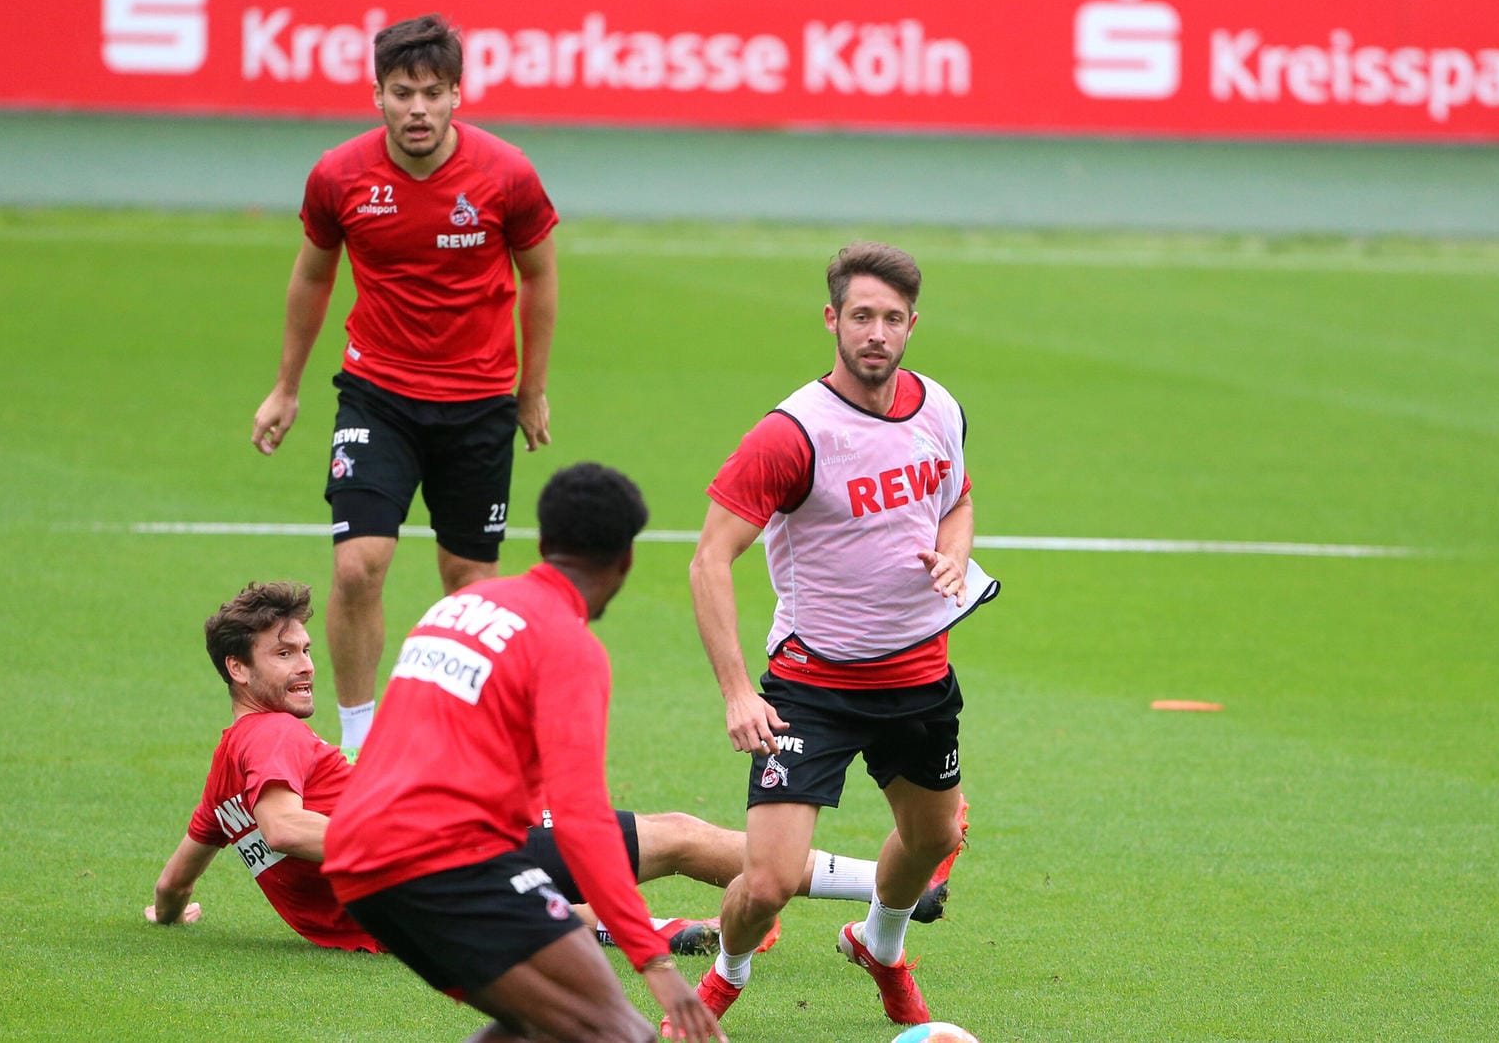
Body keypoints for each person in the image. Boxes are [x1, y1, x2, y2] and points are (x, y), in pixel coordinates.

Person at [145, 582, 947, 958]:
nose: (307, 665)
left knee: (584, 860)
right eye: (283, 654)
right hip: (448, 857)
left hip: (413, 907)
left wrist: (168, 910)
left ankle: (606, 924)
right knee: (672, 836)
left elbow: (188, 864)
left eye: (306, 649)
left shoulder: (229, 767)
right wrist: (418, 840)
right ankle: (885, 887)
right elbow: (286, 829)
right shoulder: (269, 742)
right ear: (236, 671)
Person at [684, 242, 997, 1029]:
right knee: (767, 883)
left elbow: (958, 501)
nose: (877, 334)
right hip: (812, 688)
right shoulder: (793, 433)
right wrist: (735, 693)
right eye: (862, 316)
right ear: (832, 319)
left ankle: (879, 946)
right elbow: (709, 560)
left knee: (933, 842)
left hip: (920, 678)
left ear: (912, 326)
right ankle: (724, 979)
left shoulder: (941, 409)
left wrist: (955, 555)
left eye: (893, 319)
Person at [248, 12, 559, 755]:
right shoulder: (340, 175)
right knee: (359, 565)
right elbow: (313, 274)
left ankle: (462, 739)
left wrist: (532, 388)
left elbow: (540, 276)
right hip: (376, 394)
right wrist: (285, 387)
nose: (416, 108)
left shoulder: (506, 174)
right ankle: (358, 743)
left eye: (430, 92)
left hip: (479, 402)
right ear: (377, 96)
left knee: (470, 583)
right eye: (400, 92)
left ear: (457, 94)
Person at [321, 463, 717, 1042]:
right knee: (622, 1036)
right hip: (440, 859)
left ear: (542, 542)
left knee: (536, 1027)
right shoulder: (567, 645)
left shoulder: (457, 608)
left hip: (360, 856)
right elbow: (581, 819)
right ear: (626, 560)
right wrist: (654, 961)